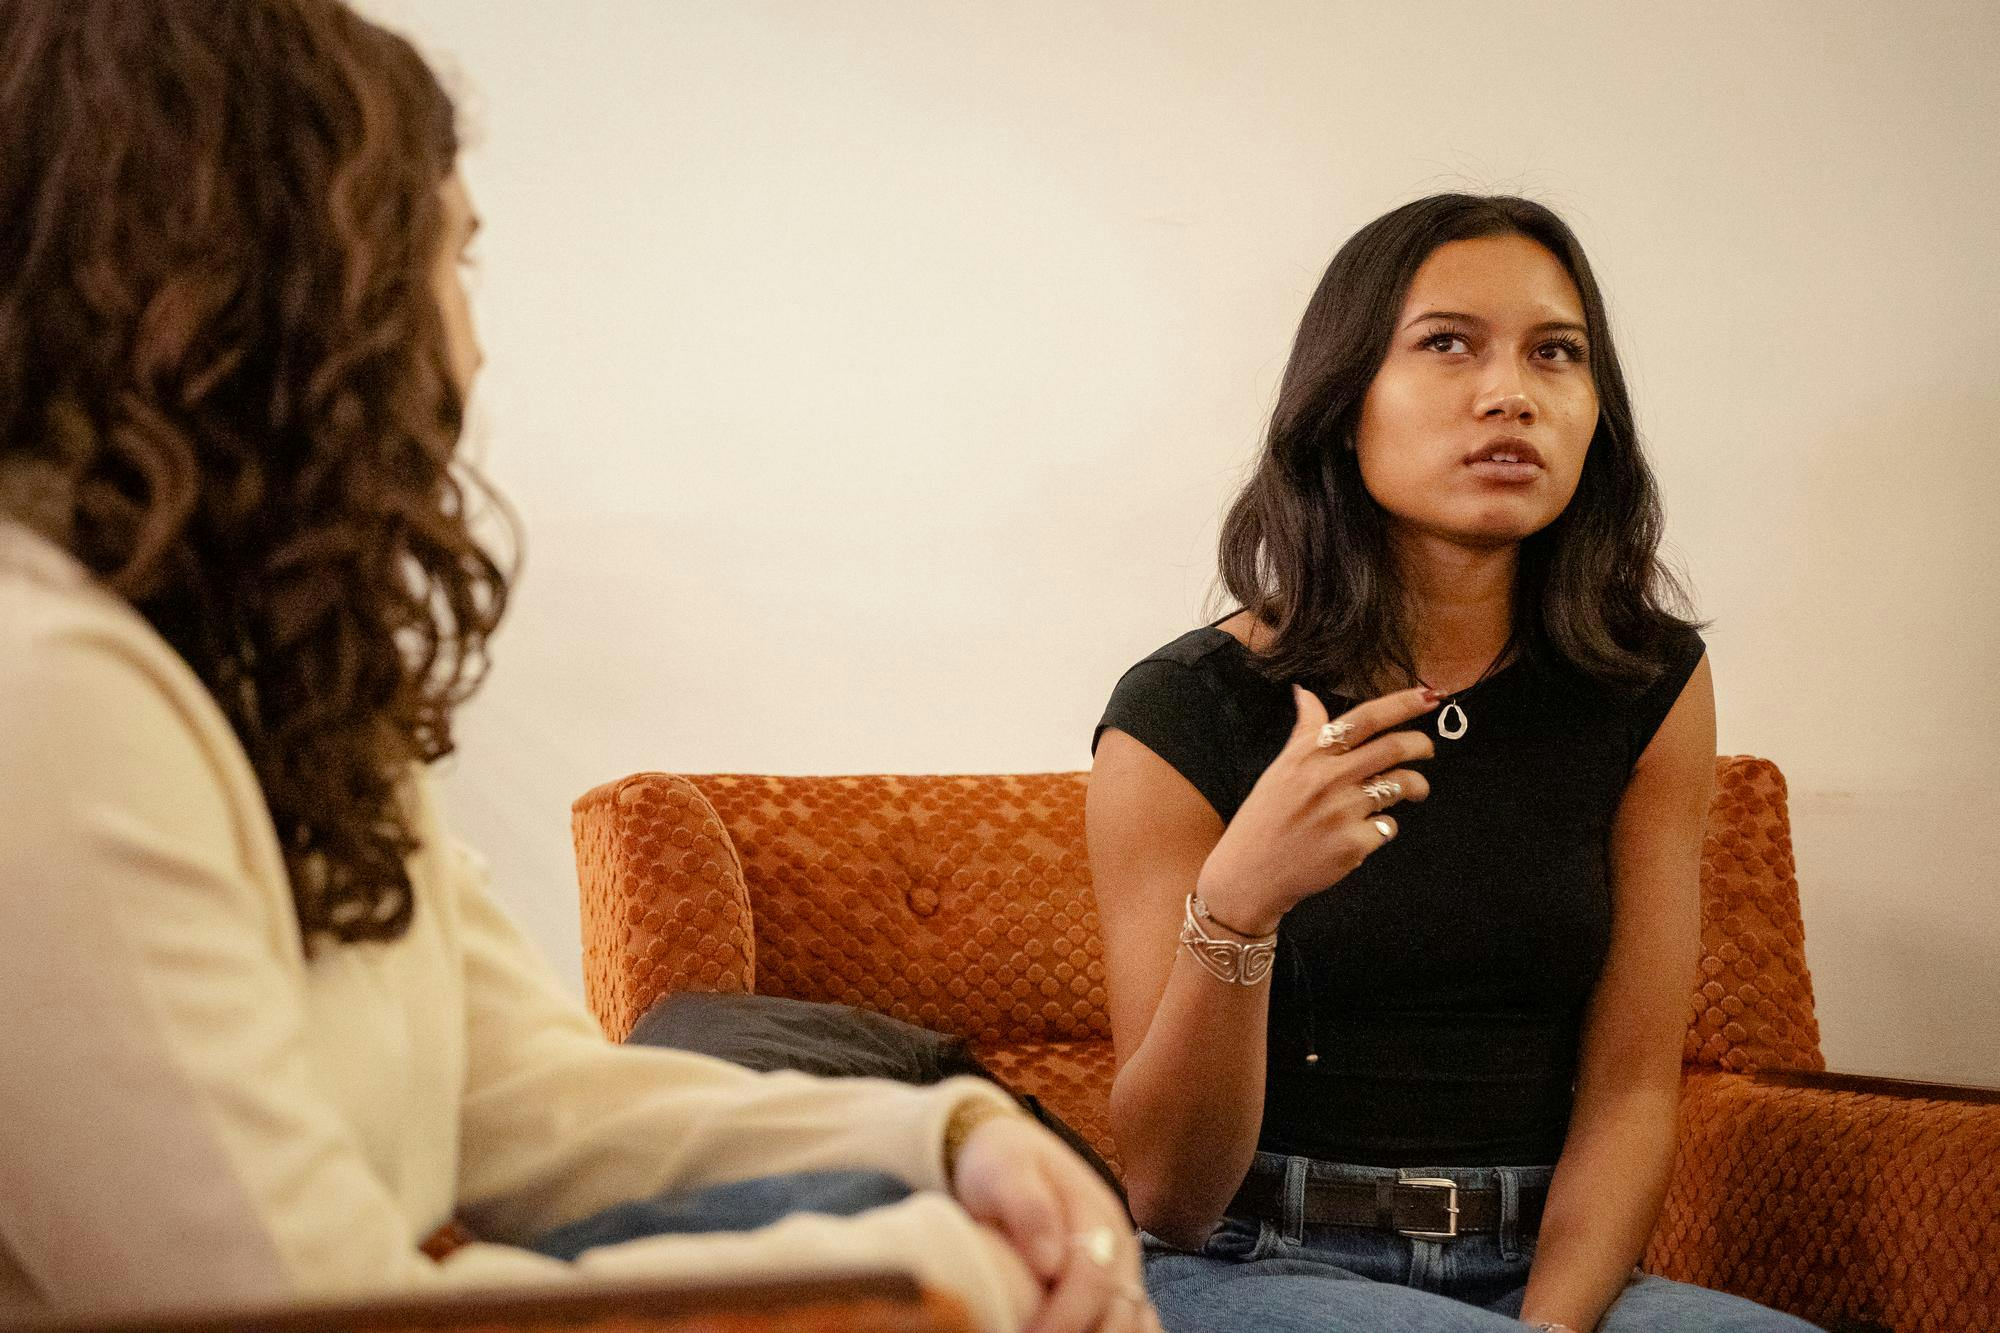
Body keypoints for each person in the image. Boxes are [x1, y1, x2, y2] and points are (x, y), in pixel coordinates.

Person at [0, 5, 1156, 1332]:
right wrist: (929, 1282)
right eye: (452, 261)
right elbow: (306, 1309)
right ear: (300, 287)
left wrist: (947, 1143)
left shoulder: (269, 680)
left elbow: (531, 1095)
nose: (475, 349)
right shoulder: (51, 701)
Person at [1086, 194, 1816, 1332]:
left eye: (1554, 354)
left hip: (1545, 1273)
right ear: (1341, 405)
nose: (1509, 392)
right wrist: (1239, 903)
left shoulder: (1644, 684)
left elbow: (1629, 1092)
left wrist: (1555, 1325)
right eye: (1445, 344)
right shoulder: (1182, 710)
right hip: (1246, 1265)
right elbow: (1171, 1196)